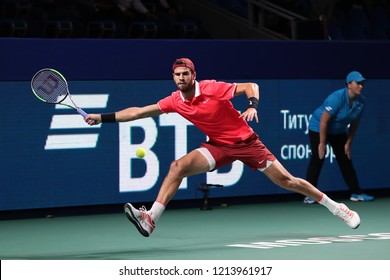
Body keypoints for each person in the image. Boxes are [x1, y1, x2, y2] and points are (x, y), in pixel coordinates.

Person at [84, 58, 361, 237]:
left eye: (186, 74)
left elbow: (251, 86)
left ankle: (338, 208)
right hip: (218, 146)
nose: (181, 78)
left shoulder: (211, 88)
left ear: (194, 74)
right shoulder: (174, 100)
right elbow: (139, 112)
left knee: (287, 181)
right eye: (177, 75)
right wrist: (101, 117)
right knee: (177, 167)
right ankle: (150, 219)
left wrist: (251, 106)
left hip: (246, 143)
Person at [304, 71, 374, 204]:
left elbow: (355, 123)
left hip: (338, 132)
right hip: (318, 127)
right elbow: (324, 121)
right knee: (318, 158)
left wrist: (348, 142)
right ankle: (309, 195)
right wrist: (322, 143)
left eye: (362, 83)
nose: (361, 86)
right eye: (357, 83)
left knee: (345, 159)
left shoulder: (361, 102)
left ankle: (356, 193)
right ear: (349, 84)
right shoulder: (336, 98)